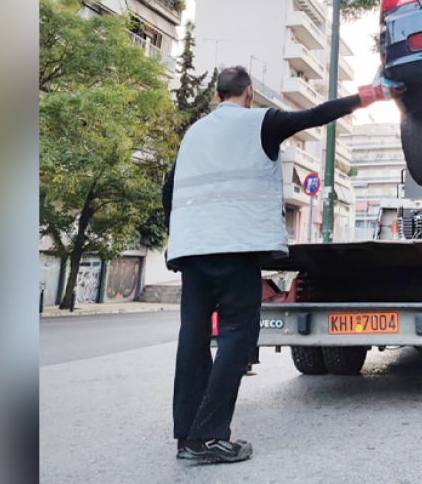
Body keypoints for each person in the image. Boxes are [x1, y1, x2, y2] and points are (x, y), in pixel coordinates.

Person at [163, 65, 401, 464]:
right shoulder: (261, 122)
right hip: (235, 246)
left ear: (217, 96)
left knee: (193, 339)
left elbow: (169, 187)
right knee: (238, 336)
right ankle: (209, 436)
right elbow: (315, 115)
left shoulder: (194, 133)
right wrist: (369, 95)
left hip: (191, 249)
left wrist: (179, 231)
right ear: (248, 92)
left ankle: (187, 436)